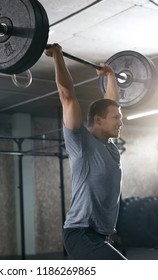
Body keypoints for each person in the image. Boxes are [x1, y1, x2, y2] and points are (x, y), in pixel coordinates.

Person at [44, 43, 127, 260]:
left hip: (99, 235)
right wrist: (58, 56)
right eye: (117, 118)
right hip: (80, 233)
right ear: (98, 120)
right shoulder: (81, 144)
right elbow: (67, 95)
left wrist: (110, 76)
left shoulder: (111, 148)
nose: (121, 123)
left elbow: (110, 104)